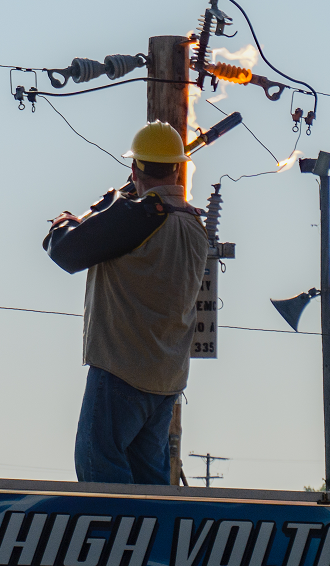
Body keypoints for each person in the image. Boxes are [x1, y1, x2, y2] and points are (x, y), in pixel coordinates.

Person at [43, 121, 209, 484]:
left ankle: (110, 542)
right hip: (166, 379)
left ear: (135, 169)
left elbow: (65, 250)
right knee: (150, 483)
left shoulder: (139, 216)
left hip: (120, 370)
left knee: (98, 472)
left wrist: (64, 222)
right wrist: (113, 210)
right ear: (178, 167)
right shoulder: (194, 224)